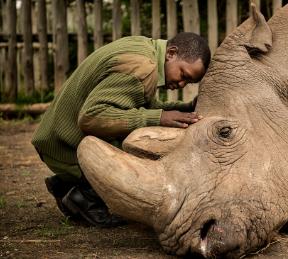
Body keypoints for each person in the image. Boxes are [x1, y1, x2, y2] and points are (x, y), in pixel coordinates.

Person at [31, 32, 211, 227]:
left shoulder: (144, 49)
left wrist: (184, 109)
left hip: (55, 136)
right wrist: (158, 118)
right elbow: (92, 117)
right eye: (183, 74)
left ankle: (68, 184)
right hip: (63, 146)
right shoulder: (142, 68)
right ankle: (82, 192)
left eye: (189, 82)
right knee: (142, 144)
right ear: (171, 53)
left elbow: (139, 104)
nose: (181, 84)